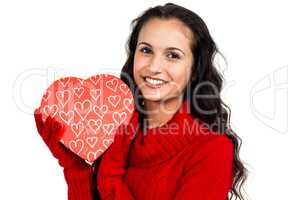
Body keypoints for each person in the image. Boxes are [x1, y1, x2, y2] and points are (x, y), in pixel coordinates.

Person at [34, 3, 247, 200]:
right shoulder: (109, 128)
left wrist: (110, 176)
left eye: (172, 55)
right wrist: (76, 168)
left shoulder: (212, 150)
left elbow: (110, 182)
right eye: (146, 50)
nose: (154, 66)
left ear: (194, 69)